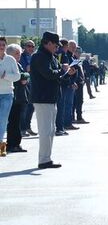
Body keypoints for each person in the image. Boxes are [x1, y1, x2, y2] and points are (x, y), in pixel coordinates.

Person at [32, 31, 74, 169]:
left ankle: (46, 158)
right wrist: (63, 71)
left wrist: (68, 73)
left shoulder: (51, 57)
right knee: (45, 131)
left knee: (50, 130)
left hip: (51, 97)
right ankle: (43, 160)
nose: (57, 48)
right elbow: (49, 74)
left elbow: (58, 76)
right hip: (43, 98)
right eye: (56, 46)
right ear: (48, 43)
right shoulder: (39, 57)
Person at [5, 43, 29, 154]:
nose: (19, 55)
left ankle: (16, 144)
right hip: (14, 97)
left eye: (19, 53)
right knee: (13, 122)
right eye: (17, 53)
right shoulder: (9, 64)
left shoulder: (17, 64)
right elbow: (17, 77)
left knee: (17, 122)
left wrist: (24, 77)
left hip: (20, 97)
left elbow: (25, 75)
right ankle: (12, 144)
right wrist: (22, 78)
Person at [0, 37, 18, 156]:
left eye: (3, 45)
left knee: (3, 121)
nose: (1, 47)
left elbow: (17, 76)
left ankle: (1, 147)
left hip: (7, 94)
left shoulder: (10, 59)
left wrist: (5, 75)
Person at [19, 39, 35, 138]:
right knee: (24, 108)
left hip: (32, 84)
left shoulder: (33, 57)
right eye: (29, 46)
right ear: (25, 47)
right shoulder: (22, 56)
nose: (31, 48)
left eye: (32, 46)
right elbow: (26, 69)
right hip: (24, 85)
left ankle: (28, 127)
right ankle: (23, 129)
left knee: (31, 107)